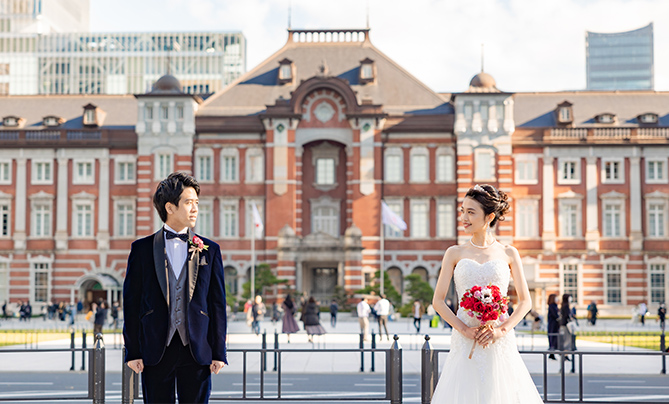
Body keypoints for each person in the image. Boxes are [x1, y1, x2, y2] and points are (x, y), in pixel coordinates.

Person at [430, 184, 543, 403]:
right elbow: (438, 301)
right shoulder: (454, 252)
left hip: (499, 340)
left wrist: (501, 330)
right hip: (465, 340)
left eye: (471, 212)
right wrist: (464, 330)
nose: (464, 217)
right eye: (463, 211)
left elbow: (525, 301)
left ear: (489, 216)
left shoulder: (509, 252)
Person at [123, 172, 227, 404]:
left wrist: (219, 352)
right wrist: (133, 351)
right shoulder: (141, 249)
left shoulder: (210, 249)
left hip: (197, 350)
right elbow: (131, 303)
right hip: (156, 349)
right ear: (170, 208)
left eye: (197, 203)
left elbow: (217, 304)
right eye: (188, 202)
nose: (195, 209)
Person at [559, 293, 576, 360]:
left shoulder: (563, 305)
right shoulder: (566, 306)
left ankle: (565, 355)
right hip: (566, 325)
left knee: (566, 340)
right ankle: (565, 355)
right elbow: (567, 316)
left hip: (564, 324)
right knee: (567, 340)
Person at [547, 294, 559, 360]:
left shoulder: (554, 306)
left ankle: (552, 353)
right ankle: (552, 352)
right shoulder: (552, 306)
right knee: (553, 338)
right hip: (552, 325)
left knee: (554, 339)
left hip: (554, 325)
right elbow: (555, 315)